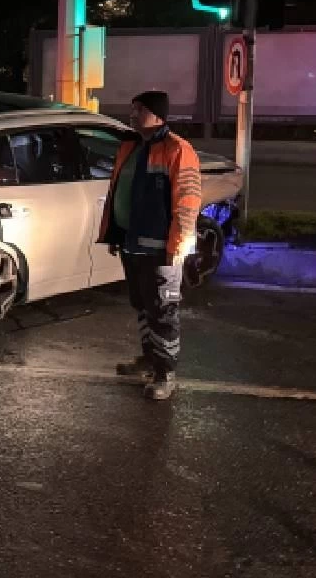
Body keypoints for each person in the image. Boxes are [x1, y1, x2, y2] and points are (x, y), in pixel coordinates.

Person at [99, 90, 202, 400]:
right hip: (133, 245)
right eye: (132, 108)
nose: (132, 114)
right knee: (143, 306)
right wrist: (115, 235)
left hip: (162, 250)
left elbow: (187, 202)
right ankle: (149, 359)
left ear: (158, 115)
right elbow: (120, 192)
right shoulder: (130, 146)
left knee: (163, 310)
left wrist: (177, 246)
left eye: (139, 109)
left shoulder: (178, 150)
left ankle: (165, 373)